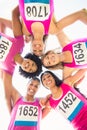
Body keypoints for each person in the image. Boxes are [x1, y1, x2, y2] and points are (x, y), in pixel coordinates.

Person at [0, 14, 42, 113]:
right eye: (32, 64)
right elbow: (3, 20)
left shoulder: (8, 70)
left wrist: (12, 113)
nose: (28, 66)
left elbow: (7, 97)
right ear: (31, 59)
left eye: (30, 70)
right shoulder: (20, 43)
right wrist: (25, 32)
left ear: (25, 72)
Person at [17, 0, 87, 56]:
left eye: (34, 50)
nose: (37, 48)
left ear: (31, 46)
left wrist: (28, 36)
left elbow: (20, 11)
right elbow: (80, 14)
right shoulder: (53, 30)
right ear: (44, 46)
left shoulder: (25, 31)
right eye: (40, 50)